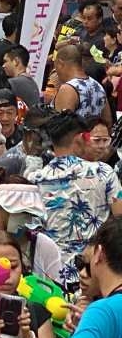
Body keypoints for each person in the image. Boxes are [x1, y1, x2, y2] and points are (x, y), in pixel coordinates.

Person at [27, 112, 122, 285]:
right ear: (81, 138)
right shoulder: (103, 173)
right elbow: (120, 217)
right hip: (94, 273)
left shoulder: (35, 179)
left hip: (48, 275)